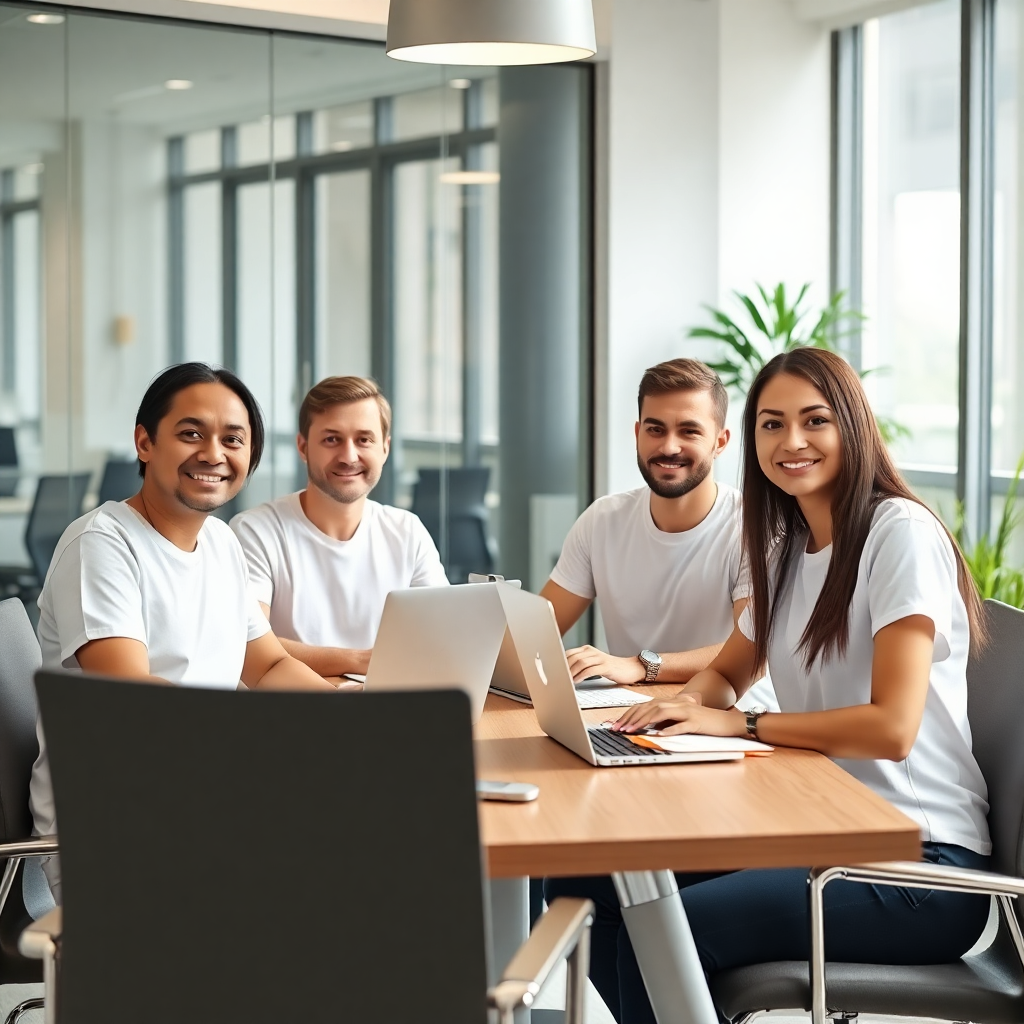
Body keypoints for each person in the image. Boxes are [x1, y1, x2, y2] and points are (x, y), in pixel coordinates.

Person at [545, 347, 992, 1024]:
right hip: (824, 829)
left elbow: (891, 728)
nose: (791, 442)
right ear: (749, 440)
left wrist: (744, 724)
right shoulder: (785, 547)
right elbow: (730, 670)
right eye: (772, 424)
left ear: (852, 426)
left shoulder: (898, 534)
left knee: (662, 931)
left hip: (919, 865)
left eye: (814, 421)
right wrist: (673, 709)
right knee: (586, 883)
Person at [29, 363, 343, 901]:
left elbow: (266, 664)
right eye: (191, 433)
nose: (214, 453)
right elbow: (134, 702)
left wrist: (366, 723)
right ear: (145, 442)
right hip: (115, 827)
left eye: (233, 439)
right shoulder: (102, 544)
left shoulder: (220, 543)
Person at [540, 357, 775, 709]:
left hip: (731, 723)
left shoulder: (753, 530)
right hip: (627, 718)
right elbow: (538, 635)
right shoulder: (602, 520)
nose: (668, 447)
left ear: (721, 442)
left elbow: (753, 652)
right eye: (655, 429)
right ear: (637, 435)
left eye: (689, 431)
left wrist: (641, 665)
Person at [230, 376, 448, 679]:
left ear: (385, 448)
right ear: (303, 447)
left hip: (385, 705)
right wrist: (359, 660)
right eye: (332, 439)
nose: (348, 456)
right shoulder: (256, 531)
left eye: (364, 440)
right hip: (287, 710)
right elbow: (245, 644)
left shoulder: (407, 531)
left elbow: (441, 639)